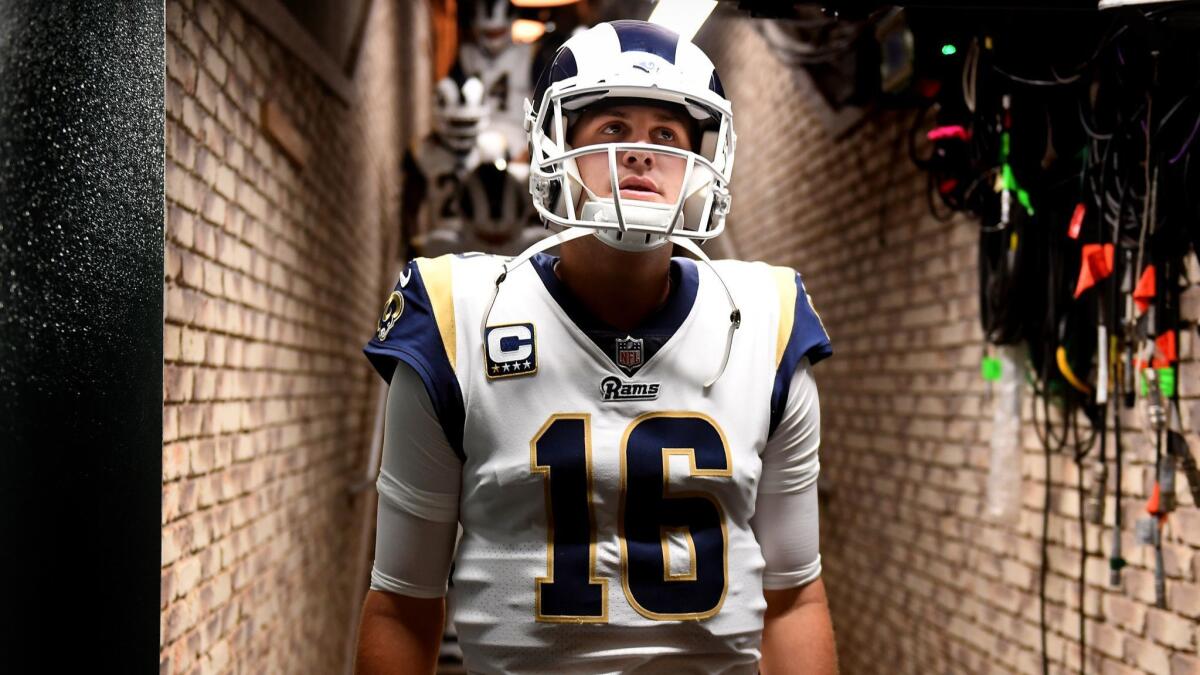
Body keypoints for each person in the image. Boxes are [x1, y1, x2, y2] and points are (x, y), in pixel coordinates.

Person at [356, 19, 837, 674]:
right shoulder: (456, 315)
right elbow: (402, 603)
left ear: (704, 159)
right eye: (613, 128)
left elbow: (795, 595)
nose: (639, 153)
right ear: (556, 143)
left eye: (666, 135)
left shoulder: (764, 321)